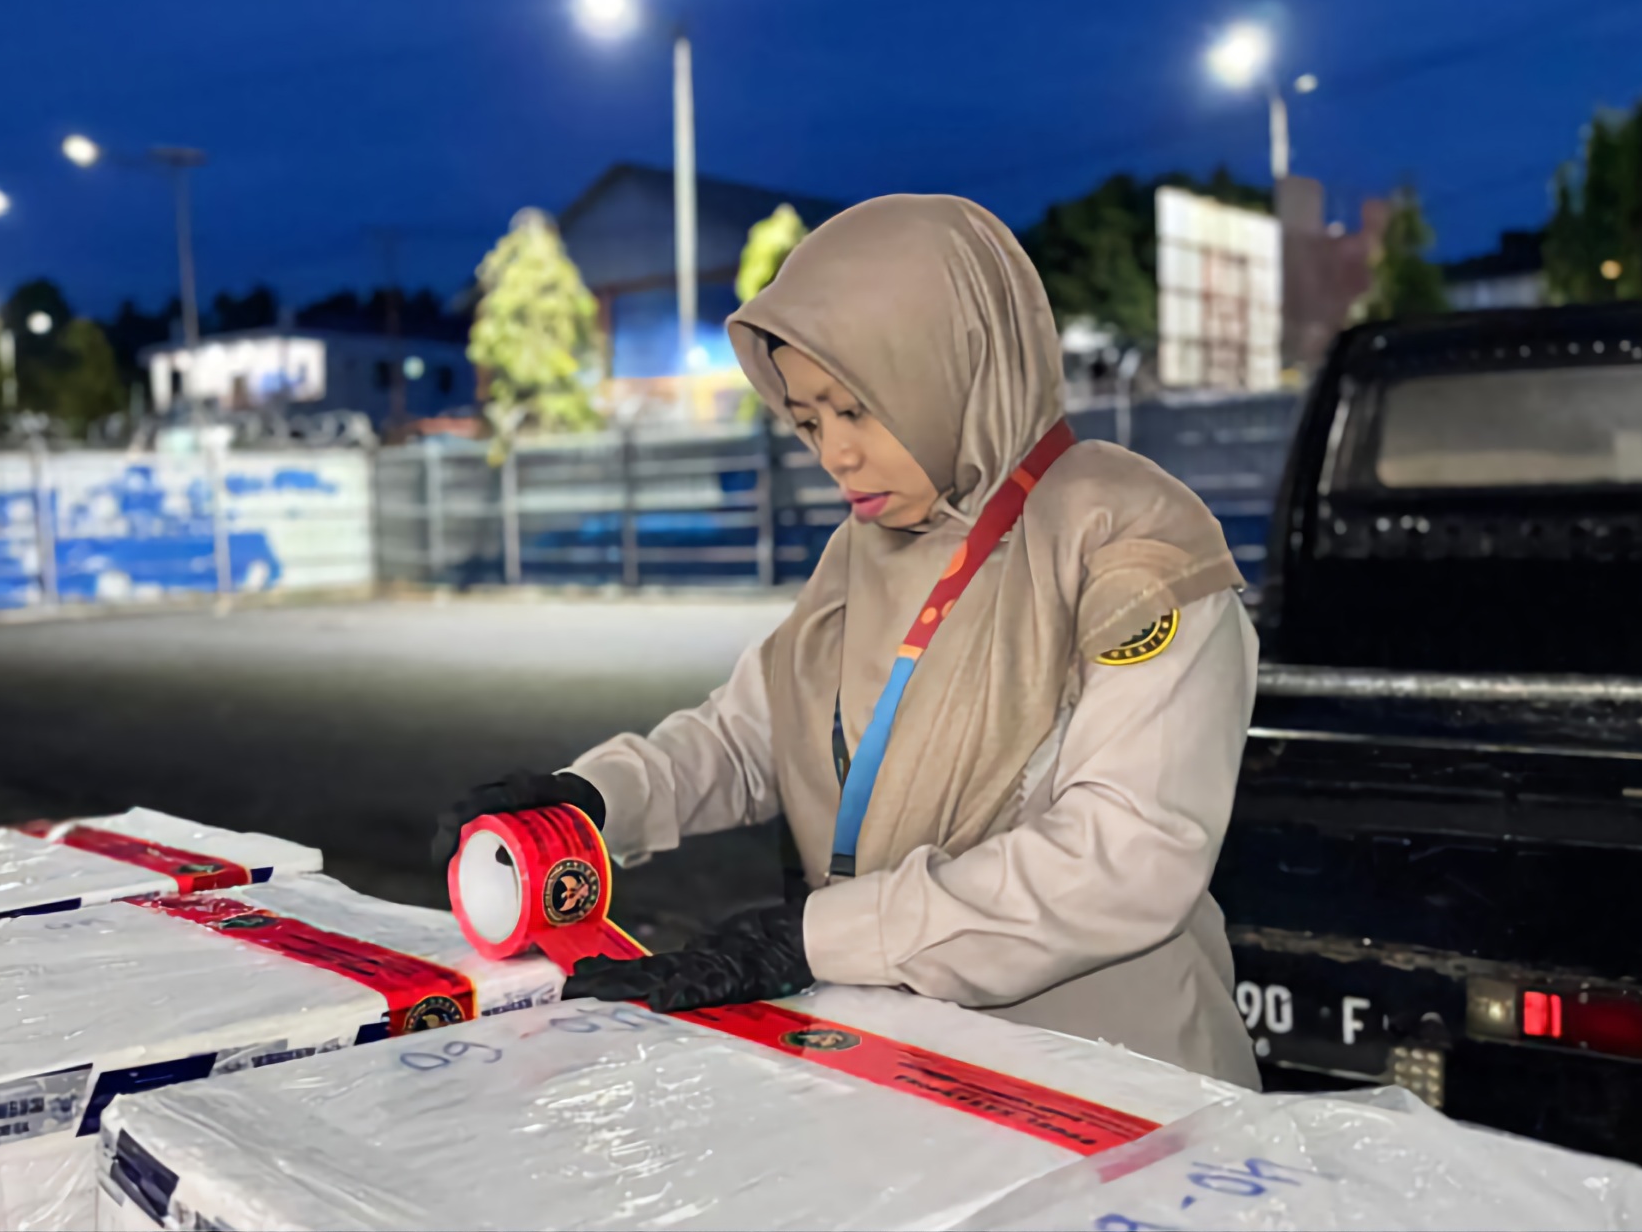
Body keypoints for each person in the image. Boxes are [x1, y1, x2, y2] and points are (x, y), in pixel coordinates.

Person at [433, 194, 1261, 1087]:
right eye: (809, 421)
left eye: (857, 410)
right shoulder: (864, 551)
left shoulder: (1126, 542)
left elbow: (1124, 860)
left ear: (950, 364)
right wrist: (591, 802)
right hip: (909, 1068)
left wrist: (814, 937)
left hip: (1116, 1085)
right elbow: (752, 735)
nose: (835, 455)